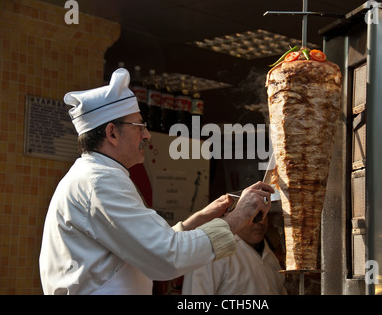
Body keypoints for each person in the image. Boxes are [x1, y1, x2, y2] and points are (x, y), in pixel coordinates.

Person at [39, 68, 274, 295]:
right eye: (139, 126)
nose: (147, 135)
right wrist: (237, 217)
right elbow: (166, 258)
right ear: (112, 133)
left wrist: (198, 220)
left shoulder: (96, 176)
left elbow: (149, 246)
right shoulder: (100, 181)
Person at [182, 214, 287, 295]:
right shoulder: (212, 250)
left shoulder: (271, 258)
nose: (261, 221)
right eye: (253, 214)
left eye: (264, 214)